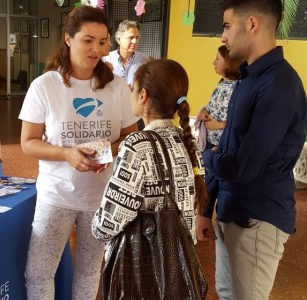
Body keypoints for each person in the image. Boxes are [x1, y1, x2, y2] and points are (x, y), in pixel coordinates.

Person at [18, 5, 138, 300]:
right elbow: (28, 142)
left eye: (102, 41)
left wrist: (105, 152)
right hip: (56, 193)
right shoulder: (45, 86)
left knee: (88, 270)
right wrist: (67, 154)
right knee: (39, 272)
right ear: (69, 39)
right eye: (88, 40)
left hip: (99, 197)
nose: (96, 49)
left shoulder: (116, 88)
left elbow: (130, 138)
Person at [196, 0, 307, 299]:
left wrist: (205, 154)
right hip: (232, 211)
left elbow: (242, 166)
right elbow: (229, 151)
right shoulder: (247, 78)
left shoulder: (279, 86)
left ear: (253, 24)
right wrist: (206, 210)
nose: (223, 37)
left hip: (258, 220)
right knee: (226, 292)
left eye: (227, 26)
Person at [92, 59, 209, 253]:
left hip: (144, 262)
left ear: (142, 96)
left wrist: (96, 227)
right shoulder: (188, 141)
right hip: (181, 259)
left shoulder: (137, 144)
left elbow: (108, 222)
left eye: (133, 89)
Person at [196, 45, 242, 222]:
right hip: (211, 143)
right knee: (209, 185)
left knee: (218, 185)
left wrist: (220, 124)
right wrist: (204, 113)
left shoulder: (240, 87)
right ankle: (204, 217)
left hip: (223, 147)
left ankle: (217, 221)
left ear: (230, 62)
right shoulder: (222, 83)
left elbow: (242, 119)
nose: (213, 62)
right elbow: (215, 105)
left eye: (218, 59)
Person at [103, 20, 148, 129]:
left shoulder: (144, 61)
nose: (134, 41)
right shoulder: (105, 59)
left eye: (137, 38)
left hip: (136, 114)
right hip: (111, 112)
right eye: (131, 37)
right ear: (119, 39)